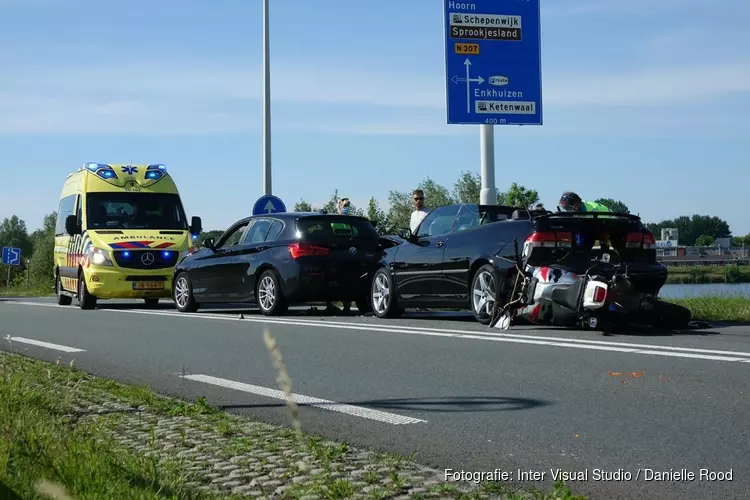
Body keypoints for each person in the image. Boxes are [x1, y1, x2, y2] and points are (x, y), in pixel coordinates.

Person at [325, 198, 353, 314]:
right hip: (336, 254)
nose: (347, 207)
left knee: (347, 280)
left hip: (348, 254)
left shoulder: (350, 220)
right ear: (340, 206)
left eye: (348, 205)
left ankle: (347, 306)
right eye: (345, 205)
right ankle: (330, 305)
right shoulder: (334, 221)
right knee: (332, 280)